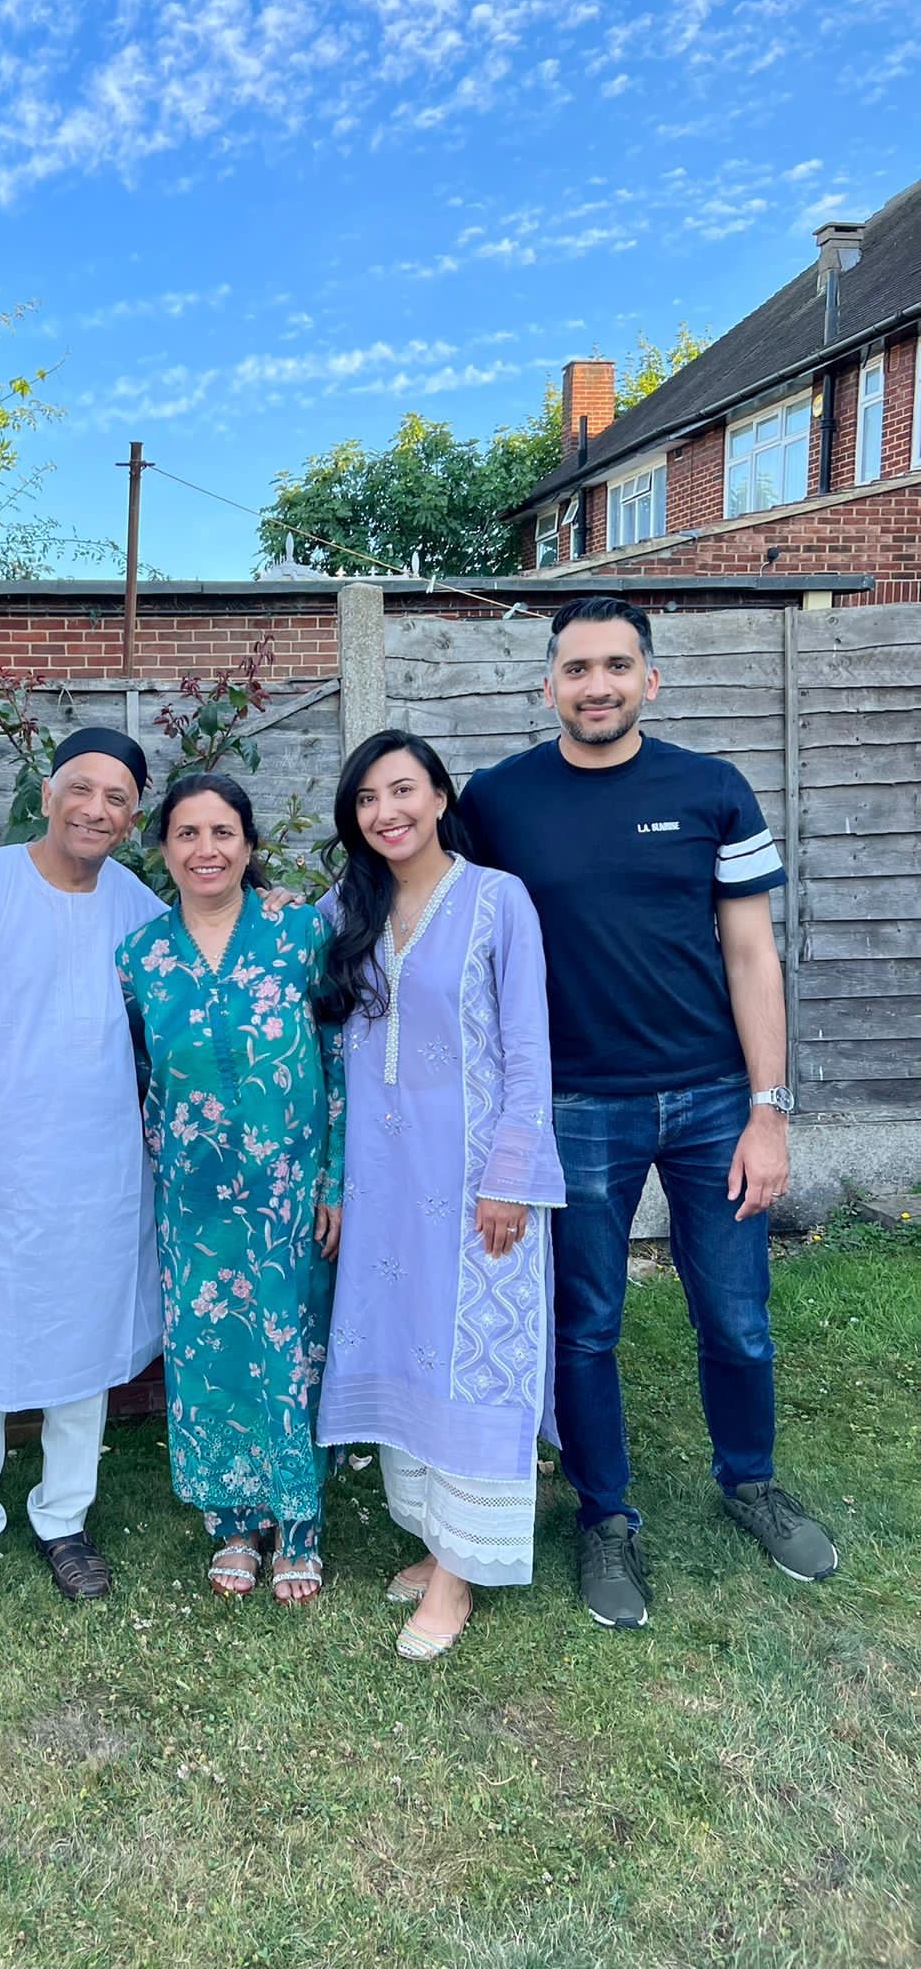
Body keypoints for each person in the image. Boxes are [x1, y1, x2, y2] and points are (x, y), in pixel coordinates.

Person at [460, 595, 837, 1631]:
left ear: (650, 680)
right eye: (576, 667)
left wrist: (769, 1110)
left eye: (616, 665)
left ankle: (749, 1478)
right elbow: (411, 879)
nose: (596, 684)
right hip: (575, 1104)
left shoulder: (711, 789)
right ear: (548, 684)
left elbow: (752, 954)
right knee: (585, 1326)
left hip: (713, 1098)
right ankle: (605, 1514)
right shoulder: (498, 801)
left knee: (739, 1318)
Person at [0, 728, 165, 1613]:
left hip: (95, 1173)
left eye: (118, 798)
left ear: (133, 819)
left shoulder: (134, 905)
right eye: (82, 790)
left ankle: (63, 1518)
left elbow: (194, 977)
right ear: (47, 796)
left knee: (81, 1351)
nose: (97, 809)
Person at [314, 732, 564, 1659]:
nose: (387, 812)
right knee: (405, 1350)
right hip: (382, 1182)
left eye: (403, 791)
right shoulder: (350, 905)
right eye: (368, 800)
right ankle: (436, 1540)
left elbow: (530, 1053)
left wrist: (512, 1178)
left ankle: (460, 1577)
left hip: (471, 1180)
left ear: (439, 794)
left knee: (471, 1359)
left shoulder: (500, 901)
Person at [116, 772, 345, 1605]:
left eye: (222, 833)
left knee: (291, 1348)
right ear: (165, 847)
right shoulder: (141, 956)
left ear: (249, 846)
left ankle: (302, 1523)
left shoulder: (296, 931)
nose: (205, 849)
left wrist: (336, 1175)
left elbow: (336, 1053)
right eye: (186, 833)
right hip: (195, 1198)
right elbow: (140, 1075)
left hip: (291, 1191)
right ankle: (232, 1521)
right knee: (213, 1355)